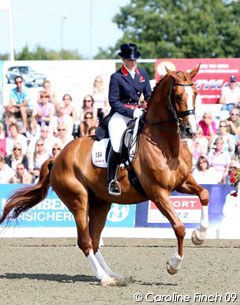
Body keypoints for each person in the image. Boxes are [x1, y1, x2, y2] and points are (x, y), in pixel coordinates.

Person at [107, 43, 152, 195]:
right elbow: (114, 101)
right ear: (123, 60)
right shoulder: (117, 77)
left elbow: (149, 95)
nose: (133, 63)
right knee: (116, 144)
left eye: (135, 60)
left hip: (139, 113)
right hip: (120, 115)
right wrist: (131, 113)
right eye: (130, 60)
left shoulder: (142, 73)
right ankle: (111, 180)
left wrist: (148, 108)